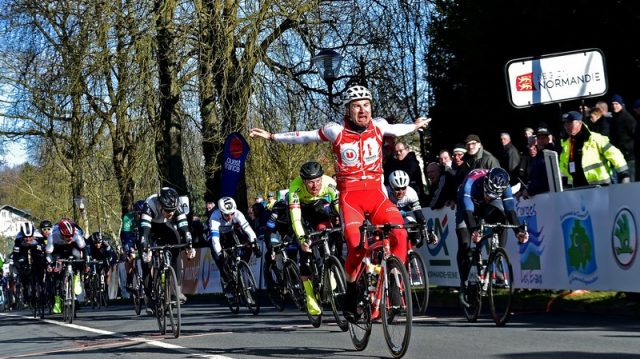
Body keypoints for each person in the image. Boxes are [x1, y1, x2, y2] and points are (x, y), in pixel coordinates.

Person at [249, 84, 431, 321]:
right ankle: (352, 292)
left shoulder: (379, 126)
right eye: (357, 106)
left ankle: (395, 282)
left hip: (377, 196)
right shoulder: (336, 131)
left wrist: (415, 125)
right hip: (351, 199)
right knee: (357, 247)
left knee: (400, 232)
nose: (363, 110)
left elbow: (398, 130)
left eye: (366, 105)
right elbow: (305, 136)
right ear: (348, 110)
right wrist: (273, 137)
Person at [455, 168, 529, 307]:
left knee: (501, 220)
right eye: (488, 193)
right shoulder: (470, 183)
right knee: (464, 242)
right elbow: (468, 212)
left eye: (493, 195)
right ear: (485, 183)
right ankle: (464, 283)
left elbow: (510, 211)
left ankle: (497, 256)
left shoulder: (504, 186)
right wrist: (474, 231)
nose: (489, 196)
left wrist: (518, 231)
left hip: (486, 206)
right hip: (466, 206)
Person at [288, 161, 340, 315]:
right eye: (310, 182)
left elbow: (339, 207)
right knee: (304, 253)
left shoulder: (330, 183)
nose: (315, 186)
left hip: (318, 209)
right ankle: (310, 296)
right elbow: (296, 219)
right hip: (302, 213)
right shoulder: (295, 188)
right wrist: (302, 239)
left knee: (328, 232)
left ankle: (329, 265)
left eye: (318, 181)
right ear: (303, 181)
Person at [139, 187, 195, 307]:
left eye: (173, 210)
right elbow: (144, 232)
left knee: (177, 241)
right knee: (146, 261)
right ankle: (148, 296)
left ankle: (177, 290)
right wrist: (145, 247)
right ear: (160, 205)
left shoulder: (176, 205)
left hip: (164, 226)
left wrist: (189, 244)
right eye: (167, 210)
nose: (171, 213)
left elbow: (184, 227)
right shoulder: (150, 205)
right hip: (150, 228)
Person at [208, 196, 262, 297]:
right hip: (217, 237)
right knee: (220, 260)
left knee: (238, 248)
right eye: (226, 214)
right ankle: (227, 282)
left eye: (232, 213)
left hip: (229, 234)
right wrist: (220, 254)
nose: (230, 217)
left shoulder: (237, 213)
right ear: (220, 212)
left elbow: (249, 230)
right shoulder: (214, 217)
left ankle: (239, 272)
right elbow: (215, 240)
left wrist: (254, 244)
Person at [559, 111, 629, 188]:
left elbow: (615, 154)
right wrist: (564, 182)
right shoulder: (567, 144)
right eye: (565, 124)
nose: (567, 126)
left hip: (600, 186)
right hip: (577, 189)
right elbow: (563, 165)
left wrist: (624, 174)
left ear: (579, 123)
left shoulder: (595, 139)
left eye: (570, 123)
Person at [45, 218, 89, 313]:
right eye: (66, 236)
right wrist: (50, 265)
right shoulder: (52, 235)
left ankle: (76, 277)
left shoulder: (76, 234)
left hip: (72, 247)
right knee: (56, 271)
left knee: (78, 256)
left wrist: (85, 263)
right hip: (57, 249)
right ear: (61, 233)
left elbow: (84, 250)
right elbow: (49, 254)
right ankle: (57, 300)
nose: (69, 238)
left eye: (71, 236)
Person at [8, 222, 46, 308]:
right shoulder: (18, 238)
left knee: (40, 263)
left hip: (35, 249)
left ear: (33, 234)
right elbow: (16, 254)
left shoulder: (39, 236)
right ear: (22, 235)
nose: (28, 239)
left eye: (30, 236)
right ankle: (25, 288)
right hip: (23, 250)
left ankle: (41, 287)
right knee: (21, 265)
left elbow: (44, 249)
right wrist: (17, 263)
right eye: (26, 237)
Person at [384, 140, 428, 205]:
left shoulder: (412, 163)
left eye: (401, 151)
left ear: (407, 150)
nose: (398, 153)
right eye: (396, 152)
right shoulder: (393, 164)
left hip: (412, 196)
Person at [609, 94, 636, 181]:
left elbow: (635, 134)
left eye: (616, 104)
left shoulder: (628, 118)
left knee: (630, 181)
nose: (614, 106)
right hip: (618, 157)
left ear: (622, 104)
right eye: (612, 104)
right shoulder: (613, 119)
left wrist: (629, 148)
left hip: (629, 155)